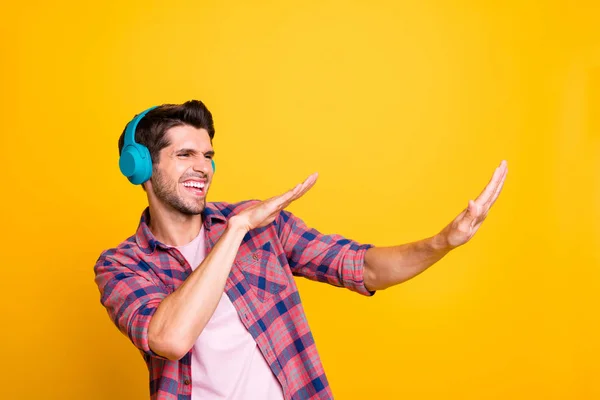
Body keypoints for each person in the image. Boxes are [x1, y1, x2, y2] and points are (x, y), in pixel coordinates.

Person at [94, 100, 508, 400]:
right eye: (185, 154)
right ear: (141, 167)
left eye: (208, 155)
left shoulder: (264, 227)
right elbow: (170, 338)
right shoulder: (121, 266)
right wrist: (236, 230)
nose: (202, 167)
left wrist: (443, 242)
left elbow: (364, 268)